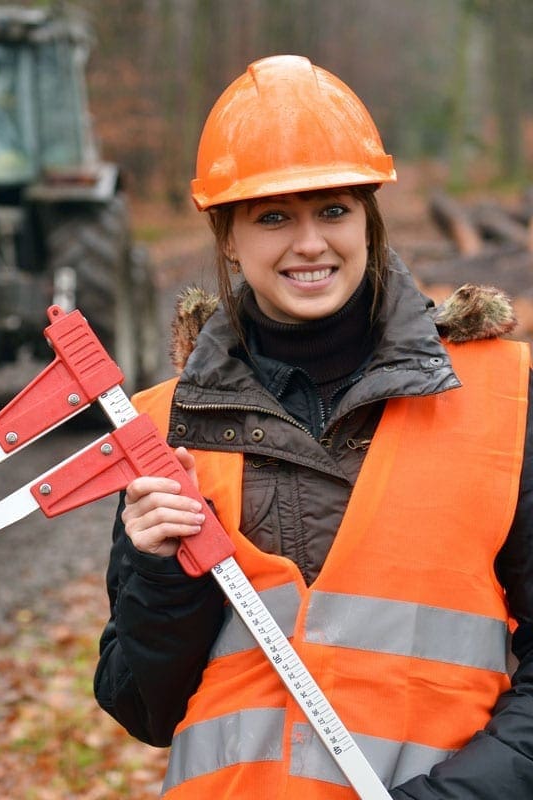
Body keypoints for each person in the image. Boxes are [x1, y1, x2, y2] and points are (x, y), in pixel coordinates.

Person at [93, 54, 533, 799]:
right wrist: (159, 574)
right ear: (227, 237)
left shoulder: (502, 397)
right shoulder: (169, 426)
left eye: (333, 209)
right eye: (273, 217)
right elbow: (142, 705)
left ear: (370, 219)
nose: (309, 244)